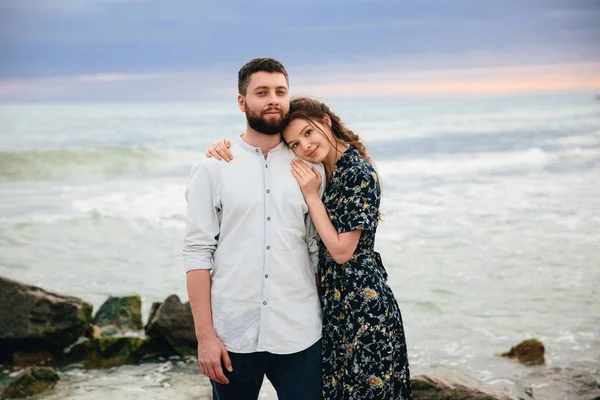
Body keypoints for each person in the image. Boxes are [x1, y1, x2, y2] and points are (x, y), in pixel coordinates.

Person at [207, 97, 412, 399]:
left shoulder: (357, 171)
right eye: (294, 143)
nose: (305, 145)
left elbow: (342, 251)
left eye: (308, 132)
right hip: (335, 303)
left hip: (362, 306)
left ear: (326, 122)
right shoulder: (328, 168)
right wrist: (223, 147)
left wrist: (311, 196)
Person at [183, 58, 325, 400]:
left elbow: (317, 250)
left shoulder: (309, 167)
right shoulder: (213, 167)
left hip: (299, 331)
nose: (273, 99)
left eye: (280, 91)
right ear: (242, 101)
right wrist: (205, 337)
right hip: (233, 334)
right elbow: (197, 252)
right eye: (262, 92)